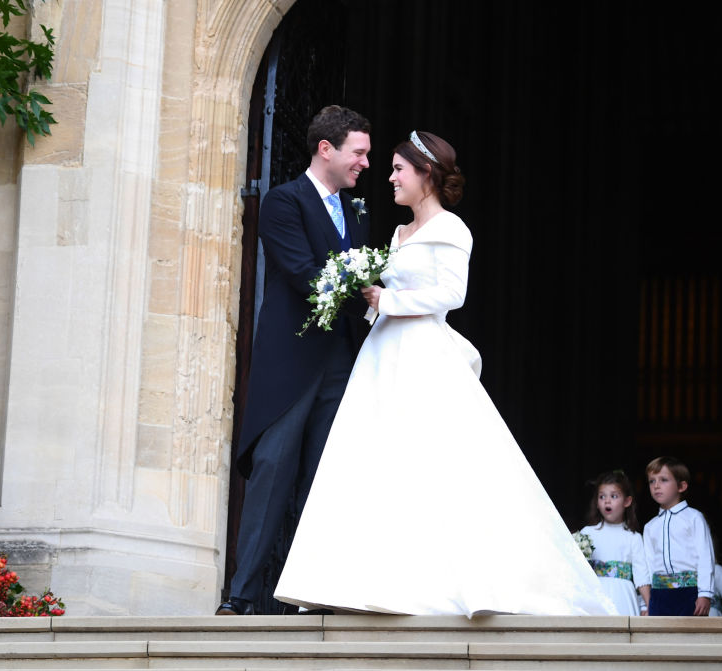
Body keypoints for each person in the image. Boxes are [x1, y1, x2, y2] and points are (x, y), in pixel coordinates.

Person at [272, 131, 615, 616]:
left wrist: (389, 300)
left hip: (423, 354)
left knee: (431, 459)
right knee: (375, 459)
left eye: (397, 169)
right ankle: (358, 581)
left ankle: (440, 581)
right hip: (383, 352)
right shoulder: (397, 234)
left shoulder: (452, 229)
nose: (389, 177)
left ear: (425, 173)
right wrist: (369, 298)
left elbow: (453, 295)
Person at [216, 105, 372, 616]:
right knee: (272, 471)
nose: (365, 163)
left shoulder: (357, 212)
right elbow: (305, 274)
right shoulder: (283, 202)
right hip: (291, 363)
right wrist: (371, 295)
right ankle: (241, 595)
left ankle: (313, 593)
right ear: (326, 149)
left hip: (340, 362)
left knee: (325, 478)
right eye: (359, 152)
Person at [643, 456, 715, 616]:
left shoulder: (694, 518)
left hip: (689, 592)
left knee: (689, 638)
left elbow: (705, 557)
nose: (656, 486)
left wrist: (705, 593)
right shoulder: (650, 526)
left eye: (663, 480)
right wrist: (644, 603)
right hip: (659, 595)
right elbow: (648, 565)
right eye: (651, 481)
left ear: (681, 486)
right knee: (660, 639)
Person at [577, 471, 651, 615]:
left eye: (614, 496)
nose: (607, 501)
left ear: (627, 502)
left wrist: (648, 605)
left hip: (623, 596)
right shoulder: (587, 532)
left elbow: (641, 573)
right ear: (597, 503)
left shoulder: (633, 537)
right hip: (596, 594)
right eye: (602, 496)